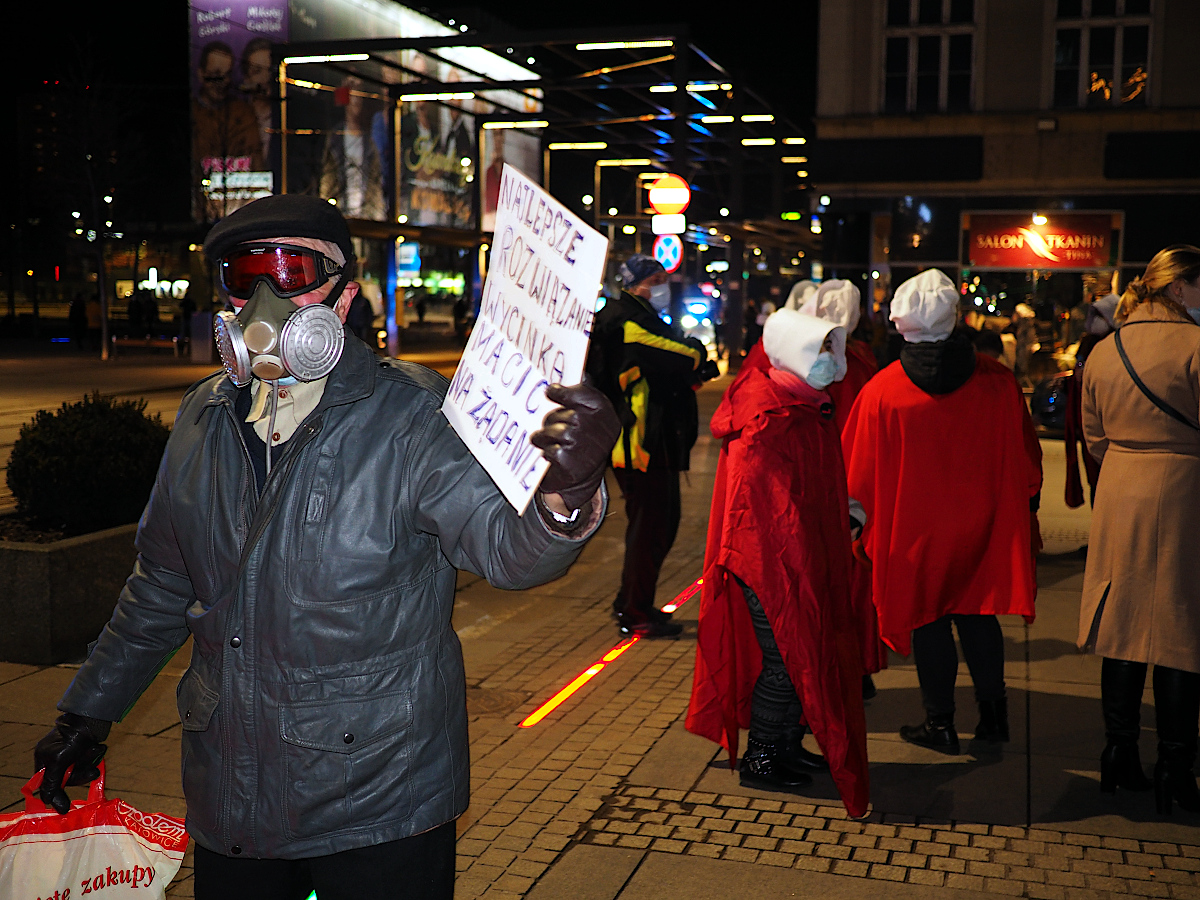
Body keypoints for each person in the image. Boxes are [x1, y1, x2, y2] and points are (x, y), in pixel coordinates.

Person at [32, 193, 621, 898]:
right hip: (234, 794)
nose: (265, 302)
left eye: (290, 272)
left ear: (343, 296)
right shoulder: (202, 416)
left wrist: (564, 495)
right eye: (244, 276)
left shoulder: (413, 415)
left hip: (380, 798)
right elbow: (161, 580)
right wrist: (88, 711)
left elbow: (506, 551)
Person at [843, 268, 1043, 754]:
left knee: (928, 619)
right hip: (984, 525)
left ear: (901, 323)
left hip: (914, 531)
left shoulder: (883, 392)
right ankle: (994, 717)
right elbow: (1027, 459)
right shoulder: (999, 381)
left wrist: (858, 527)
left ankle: (941, 723)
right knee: (978, 615)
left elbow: (856, 474)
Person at [687, 309, 869, 817]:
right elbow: (766, 509)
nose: (831, 360)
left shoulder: (802, 406)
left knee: (798, 654)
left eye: (832, 349)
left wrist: (839, 513)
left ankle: (784, 744)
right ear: (792, 354)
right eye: (821, 350)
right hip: (767, 564)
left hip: (793, 557)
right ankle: (762, 757)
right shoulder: (768, 417)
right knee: (786, 660)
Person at [1077, 245, 1200, 814]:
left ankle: (1117, 752)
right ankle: (1175, 767)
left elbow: (1094, 436)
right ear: (1178, 288)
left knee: (1122, 627)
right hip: (1184, 491)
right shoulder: (1196, 346)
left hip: (1121, 490)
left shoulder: (1107, 348)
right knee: (1180, 630)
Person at [588, 254, 719, 637]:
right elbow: (683, 353)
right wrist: (694, 350)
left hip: (651, 441)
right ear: (639, 283)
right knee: (651, 529)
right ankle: (635, 613)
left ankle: (634, 602)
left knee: (658, 525)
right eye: (659, 279)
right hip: (639, 444)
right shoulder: (629, 321)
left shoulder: (637, 316)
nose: (665, 286)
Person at [798, 279, 886, 689]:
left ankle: (833, 668)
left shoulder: (812, 362)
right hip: (857, 483)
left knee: (825, 581)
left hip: (828, 482)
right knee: (853, 582)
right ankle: (856, 666)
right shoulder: (863, 359)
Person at [1064, 292, 1118, 509]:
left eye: (1101, 316)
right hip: (1089, 416)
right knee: (1094, 477)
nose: (1096, 321)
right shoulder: (1088, 342)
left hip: (1111, 419)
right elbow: (1078, 366)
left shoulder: (1119, 343)